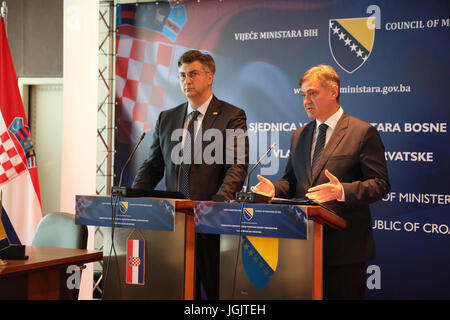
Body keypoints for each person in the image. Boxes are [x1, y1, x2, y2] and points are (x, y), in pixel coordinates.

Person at [253, 64, 390, 299]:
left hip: (344, 250)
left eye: (312, 93)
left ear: (333, 92)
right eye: (303, 95)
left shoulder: (361, 132)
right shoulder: (300, 135)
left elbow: (380, 184)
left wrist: (342, 191)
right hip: (301, 245)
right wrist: (273, 188)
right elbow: (291, 181)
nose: (306, 100)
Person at [132, 50, 249, 299]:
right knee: (175, 290)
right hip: (172, 223)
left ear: (210, 77)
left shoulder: (232, 116)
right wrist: (132, 197)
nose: (187, 80)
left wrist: (216, 204)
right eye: (182, 75)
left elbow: (237, 166)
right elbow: (153, 166)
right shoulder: (167, 118)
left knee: (214, 292)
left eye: (193, 74)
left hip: (211, 224)